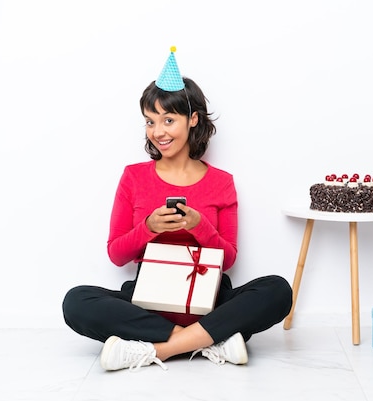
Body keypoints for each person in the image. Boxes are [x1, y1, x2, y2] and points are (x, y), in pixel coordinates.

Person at [62, 47, 293, 372]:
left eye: (168, 120)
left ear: (193, 119)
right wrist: (150, 227)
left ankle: (156, 349)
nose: (158, 132)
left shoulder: (221, 182)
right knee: (76, 301)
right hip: (148, 298)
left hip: (209, 298)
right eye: (150, 121)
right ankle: (211, 341)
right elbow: (116, 254)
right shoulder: (133, 176)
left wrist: (199, 225)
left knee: (277, 290)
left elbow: (228, 259)